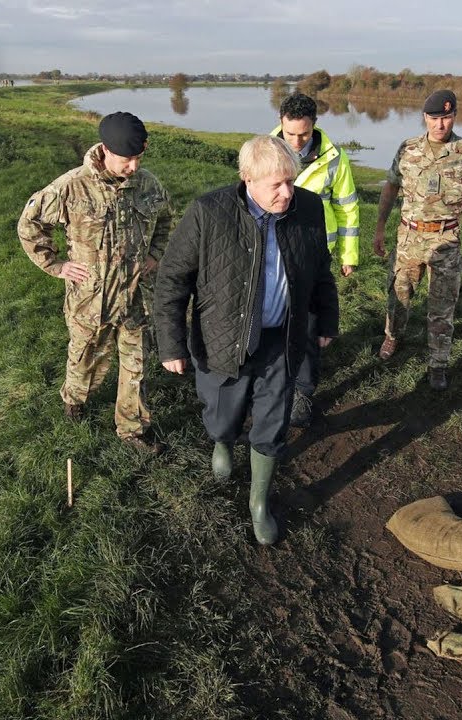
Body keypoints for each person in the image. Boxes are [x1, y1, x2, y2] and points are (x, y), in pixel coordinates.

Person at [153, 135, 339, 546]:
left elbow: (321, 271)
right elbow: (171, 281)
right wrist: (171, 344)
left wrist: (326, 318)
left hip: (282, 338)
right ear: (247, 179)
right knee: (223, 414)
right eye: (276, 185)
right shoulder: (208, 213)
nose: (287, 193)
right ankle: (222, 441)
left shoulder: (307, 208)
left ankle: (259, 503)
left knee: (273, 423)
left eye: (290, 181)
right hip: (223, 339)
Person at [18, 111, 172, 452]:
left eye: (138, 158)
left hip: (135, 297)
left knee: (137, 366)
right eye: (126, 159)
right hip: (91, 300)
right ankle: (74, 400)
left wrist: (155, 255)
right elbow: (29, 225)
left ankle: (132, 430)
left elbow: (164, 220)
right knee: (87, 357)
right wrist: (56, 266)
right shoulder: (70, 186)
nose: (133, 167)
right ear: (104, 150)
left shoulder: (148, 184)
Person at [373, 89, 462, 392]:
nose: (441, 124)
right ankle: (392, 337)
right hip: (409, 236)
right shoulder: (407, 149)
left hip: (446, 238)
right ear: (425, 117)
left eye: (447, 117)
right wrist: (380, 227)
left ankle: (438, 364)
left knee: (442, 306)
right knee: (399, 296)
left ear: (454, 116)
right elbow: (390, 188)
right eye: (435, 118)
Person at [270, 92, 360, 428]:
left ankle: (303, 392)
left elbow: (347, 208)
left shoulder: (335, 159)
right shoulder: (264, 151)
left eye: (303, 134)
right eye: (290, 133)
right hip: (272, 252)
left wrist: (349, 255)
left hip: (313, 254)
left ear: (314, 126)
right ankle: (271, 383)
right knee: (272, 320)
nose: (296, 141)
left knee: (307, 324)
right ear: (281, 122)